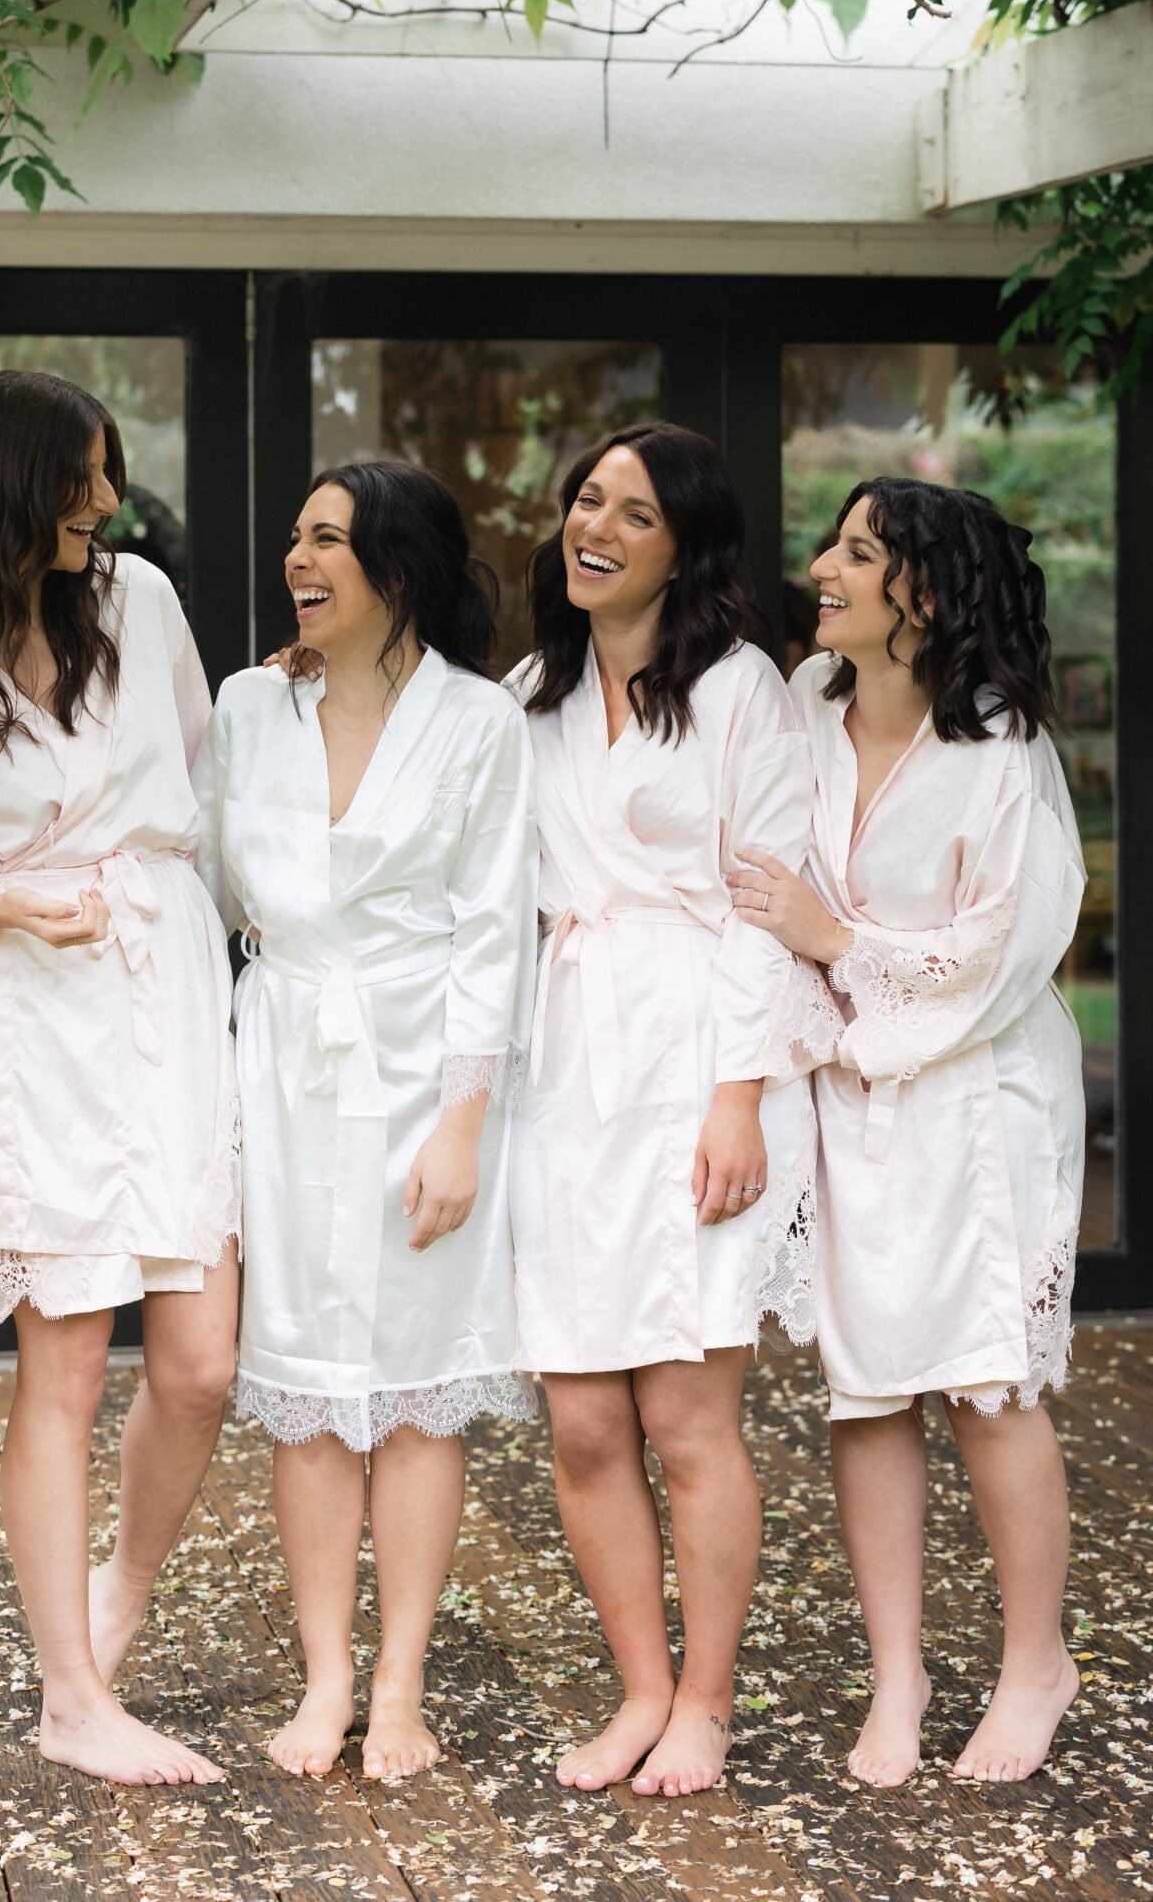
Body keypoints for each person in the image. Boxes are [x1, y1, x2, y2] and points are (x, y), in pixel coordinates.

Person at [0, 371, 239, 1790]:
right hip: (37, 1024)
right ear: (9, 487)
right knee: (68, 1366)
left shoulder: (142, 603)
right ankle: (73, 1695)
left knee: (201, 1363)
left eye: (108, 472)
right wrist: (11, 908)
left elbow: (208, 790)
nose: (105, 500)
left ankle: (114, 1597)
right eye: (80, 476)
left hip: (168, 988)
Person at [729, 476, 1086, 1788]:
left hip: (979, 1096)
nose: (822, 569)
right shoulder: (800, 709)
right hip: (847, 1094)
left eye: (856, 552)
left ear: (924, 595)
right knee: (868, 1389)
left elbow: (1005, 951)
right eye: (831, 545)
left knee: (988, 1383)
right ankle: (899, 1676)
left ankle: (1035, 1662)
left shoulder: (1001, 752)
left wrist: (835, 942)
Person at [509, 423, 838, 1799]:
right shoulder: (531, 690)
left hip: (704, 1058)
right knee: (585, 1421)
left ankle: (705, 1701)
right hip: (568, 1069)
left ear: (686, 547)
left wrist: (739, 1099)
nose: (596, 528)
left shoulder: (742, 691)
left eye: (633, 514)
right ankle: (640, 1688)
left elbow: (764, 905)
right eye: (588, 501)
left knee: (689, 1418)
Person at [195, 461, 537, 1784]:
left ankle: (400, 1685)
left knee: (414, 1390)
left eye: (326, 538)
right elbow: (215, 889)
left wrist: (461, 1124)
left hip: (421, 1068)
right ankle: (325, 1677)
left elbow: (493, 934)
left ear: (396, 569)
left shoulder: (479, 723)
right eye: (294, 536)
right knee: (303, 1387)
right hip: (285, 1064)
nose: (296, 557)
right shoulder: (249, 706)